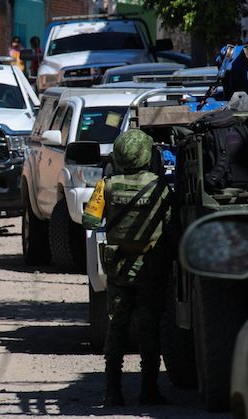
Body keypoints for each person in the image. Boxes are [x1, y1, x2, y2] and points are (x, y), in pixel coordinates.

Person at [82, 129, 173, 407]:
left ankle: (113, 392)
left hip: (118, 267)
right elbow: (171, 226)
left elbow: (89, 220)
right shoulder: (160, 186)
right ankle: (148, 390)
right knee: (149, 329)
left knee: (116, 328)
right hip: (150, 268)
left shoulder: (106, 185)